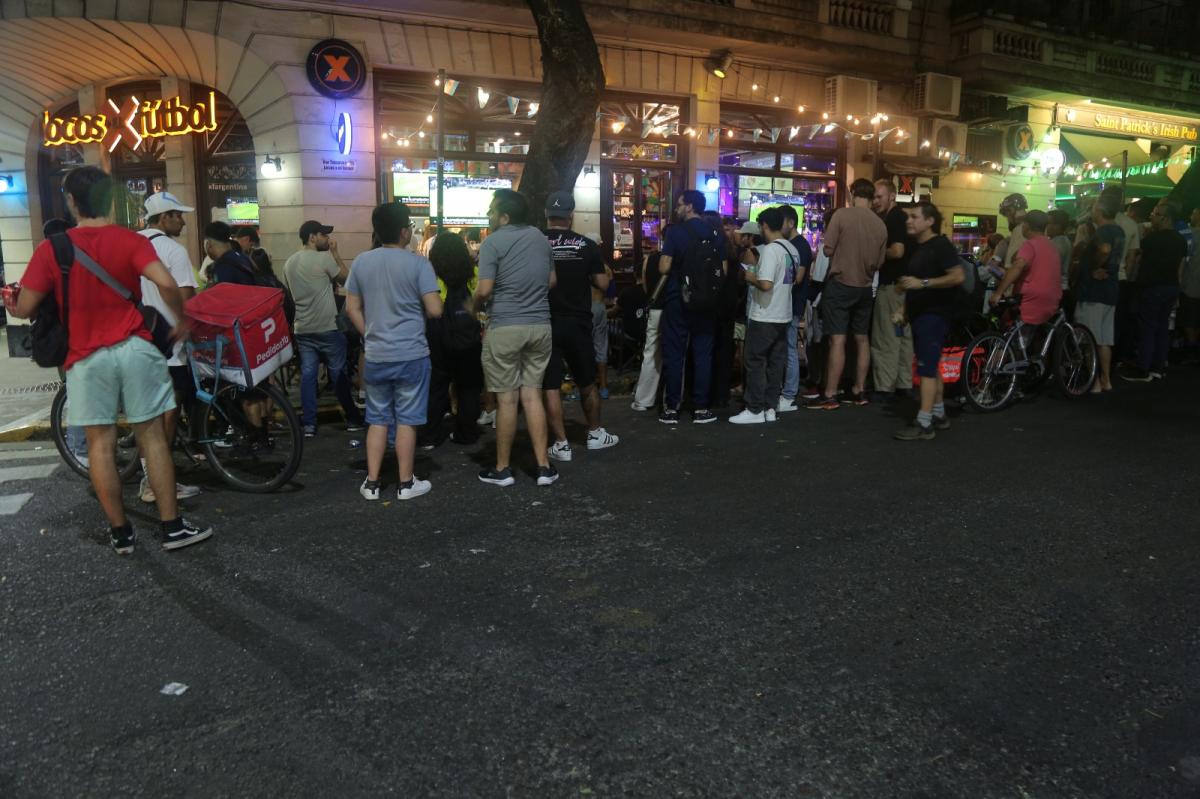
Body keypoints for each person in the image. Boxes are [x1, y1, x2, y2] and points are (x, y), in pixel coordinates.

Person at [10, 166, 211, 553]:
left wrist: (12, 304)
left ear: (71, 202)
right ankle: (172, 529)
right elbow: (167, 285)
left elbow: (25, 307)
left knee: (99, 444)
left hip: (85, 358)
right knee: (151, 436)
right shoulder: (129, 241)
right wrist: (180, 321)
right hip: (135, 348)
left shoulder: (52, 249)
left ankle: (121, 534)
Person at [344, 202, 442, 501]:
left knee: (377, 418)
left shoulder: (361, 262)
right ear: (404, 231)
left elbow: (351, 308)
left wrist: (371, 333)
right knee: (407, 419)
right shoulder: (418, 264)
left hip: (376, 354)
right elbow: (435, 310)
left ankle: (372, 484)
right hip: (411, 352)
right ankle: (405, 483)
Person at [473, 188, 558, 487]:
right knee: (532, 394)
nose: (489, 215)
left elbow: (484, 290)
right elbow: (551, 281)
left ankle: (503, 469)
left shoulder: (492, 243)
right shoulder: (540, 238)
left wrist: (473, 306)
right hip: (540, 326)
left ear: (505, 216)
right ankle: (544, 467)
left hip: (506, 326)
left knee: (507, 400)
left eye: (492, 210)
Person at [541, 192, 620, 461]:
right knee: (586, 381)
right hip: (578, 322)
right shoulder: (586, 245)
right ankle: (595, 433)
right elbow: (602, 283)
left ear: (546, 214)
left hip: (546, 321)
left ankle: (561, 444)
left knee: (550, 384)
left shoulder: (536, 242)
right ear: (571, 215)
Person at [138, 191, 201, 504]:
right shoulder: (173, 250)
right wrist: (186, 326)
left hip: (136, 339)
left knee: (145, 414)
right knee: (169, 412)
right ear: (163, 219)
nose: (183, 220)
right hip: (169, 343)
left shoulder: (131, 244)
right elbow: (187, 297)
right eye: (178, 215)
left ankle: (147, 475)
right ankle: (158, 483)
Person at [282, 220, 365, 437]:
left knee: (308, 375)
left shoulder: (289, 263)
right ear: (312, 237)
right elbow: (348, 279)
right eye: (324, 235)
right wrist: (336, 253)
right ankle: (352, 418)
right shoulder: (323, 259)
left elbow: (291, 296)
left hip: (303, 328)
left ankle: (309, 424)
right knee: (338, 373)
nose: (328, 240)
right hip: (327, 327)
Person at [809, 178, 886, 410]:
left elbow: (828, 248)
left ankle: (831, 393)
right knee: (862, 339)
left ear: (853, 194)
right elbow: (880, 262)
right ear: (872, 197)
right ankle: (859, 389)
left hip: (841, 284)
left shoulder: (841, 216)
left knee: (837, 339)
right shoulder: (880, 225)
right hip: (864, 288)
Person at [894, 201, 964, 440]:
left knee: (926, 369)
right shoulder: (917, 246)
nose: (908, 221)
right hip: (920, 314)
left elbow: (957, 276)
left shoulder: (941, 245)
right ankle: (939, 413)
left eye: (914, 217)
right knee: (931, 366)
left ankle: (924, 422)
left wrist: (923, 283)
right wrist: (904, 310)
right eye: (908, 217)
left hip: (934, 315)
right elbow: (913, 282)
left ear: (930, 221)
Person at [657, 190, 725, 425]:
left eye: (679, 204)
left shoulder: (675, 232)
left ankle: (672, 407)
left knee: (675, 353)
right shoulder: (715, 233)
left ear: (690, 206)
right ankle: (701, 408)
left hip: (679, 298)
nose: (676, 208)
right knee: (702, 353)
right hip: (707, 301)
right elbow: (722, 268)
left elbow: (664, 268)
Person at [730, 207, 799, 424]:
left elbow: (766, 284)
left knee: (755, 360)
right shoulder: (792, 250)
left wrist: (751, 277)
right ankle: (770, 407)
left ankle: (755, 409)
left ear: (765, 226)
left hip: (765, 314)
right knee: (776, 362)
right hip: (783, 314)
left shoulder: (770, 250)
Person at [420, 233, 484, 447]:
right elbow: (480, 301)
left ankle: (430, 435)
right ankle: (466, 432)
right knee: (469, 386)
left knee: (437, 384)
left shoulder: (431, 273)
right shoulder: (473, 273)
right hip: (468, 335)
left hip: (438, 334)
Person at [1123, 200, 1186, 382]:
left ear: (1164, 218)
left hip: (1152, 288)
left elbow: (1137, 259)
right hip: (1171, 287)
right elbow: (1180, 268)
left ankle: (1143, 367)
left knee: (1148, 328)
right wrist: (1177, 290)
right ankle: (1158, 367)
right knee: (1162, 329)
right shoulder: (1180, 240)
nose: (1151, 216)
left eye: (1155, 214)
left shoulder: (1151, 240)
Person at [1072, 195, 1125, 392]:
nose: (1091, 209)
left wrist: (1094, 266)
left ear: (1100, 210)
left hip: (1093, 291)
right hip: (1110, 290)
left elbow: (1104, 249)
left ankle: (1093, 382)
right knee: (1104, 340)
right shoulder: (1119, 230)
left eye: (1094, 206)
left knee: (1090, 339)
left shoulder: (1103, 232)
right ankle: (1106, 380)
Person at [869, 178, 914, 403]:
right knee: (904, 337)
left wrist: (875, 253)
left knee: (885, 337)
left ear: (892, 196)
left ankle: (884, 387)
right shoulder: (905, 218)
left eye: (879, 196)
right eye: (874, 197)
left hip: (892, 287)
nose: (875, 201)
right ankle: (904, 384)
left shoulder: (893, 218)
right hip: (907, 286)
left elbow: (897, 251)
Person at [989, 210, 1063, 330]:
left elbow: (1017, 266)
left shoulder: (1030, 244)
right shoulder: (1052, 246)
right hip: (1052, 299)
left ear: (1027, 226)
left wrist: (998, 293)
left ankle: (1004, 347)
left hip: (1030, 300)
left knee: (1006, 325)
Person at [777, 205, 813, 412]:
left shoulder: (799, 246)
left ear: (791, 223)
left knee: (789, 348)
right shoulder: (795, 244)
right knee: (786, 347)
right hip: (789, 303)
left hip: (792, 303)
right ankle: (787, 391)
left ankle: (789, 394)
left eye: (781, 222)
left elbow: (797, 278)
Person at [630, 233, 667, 412]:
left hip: (655, 308)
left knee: (651, 353)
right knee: (675, 354)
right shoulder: (677, 258)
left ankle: (644, 400)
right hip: (673, 309)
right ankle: (670, 399)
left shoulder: (648, 260)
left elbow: (645, 286)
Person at [1181, 208, 1200, 361]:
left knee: (1190, 318)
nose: (1191, 215)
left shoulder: (1192, 235)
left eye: (1193, 213)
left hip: (1192, 283)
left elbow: (1185, 259)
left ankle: (1191, 349)